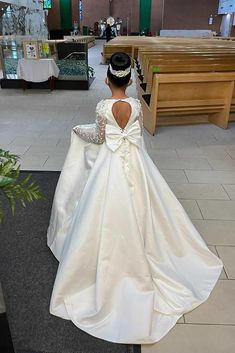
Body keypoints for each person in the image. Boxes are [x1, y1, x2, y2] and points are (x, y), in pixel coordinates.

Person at [47, 52, 223, 344]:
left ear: (107, 79)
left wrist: (80, 130)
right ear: (130, 80)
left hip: (109, 165)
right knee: (148, 206)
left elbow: (101, 138)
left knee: (99, 210)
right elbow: (136, 134)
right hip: (134, 162)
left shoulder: (104, 106)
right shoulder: (135, 106)